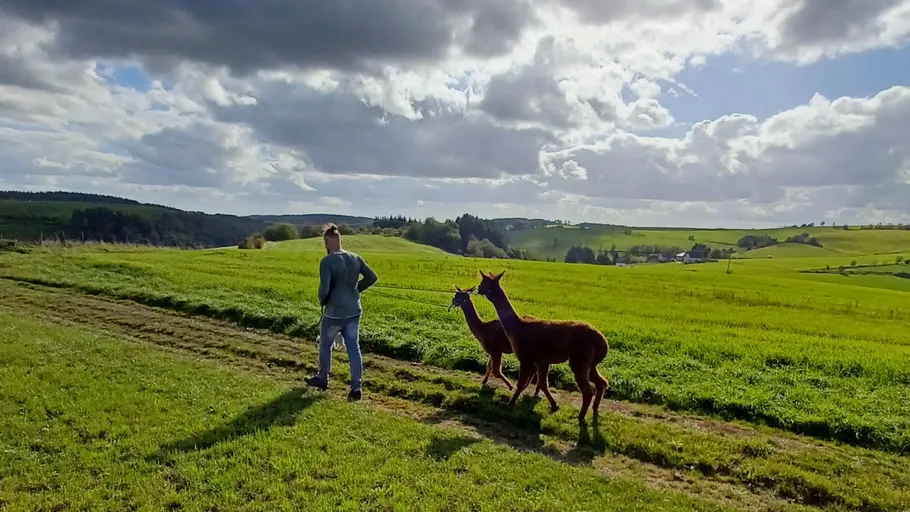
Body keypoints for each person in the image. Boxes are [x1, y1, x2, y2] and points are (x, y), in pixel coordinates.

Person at [304, 224, 378, 401]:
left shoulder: (327, 261)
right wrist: (357, 290)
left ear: (327, 242)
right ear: (339, 240)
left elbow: (324, 288)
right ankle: (356, 386)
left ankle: (322, 378)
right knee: (353, 347)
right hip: (354, 310)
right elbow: (372, 277)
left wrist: (323, 300)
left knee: (325, 345)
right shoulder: (355, 257)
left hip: (334, 313)